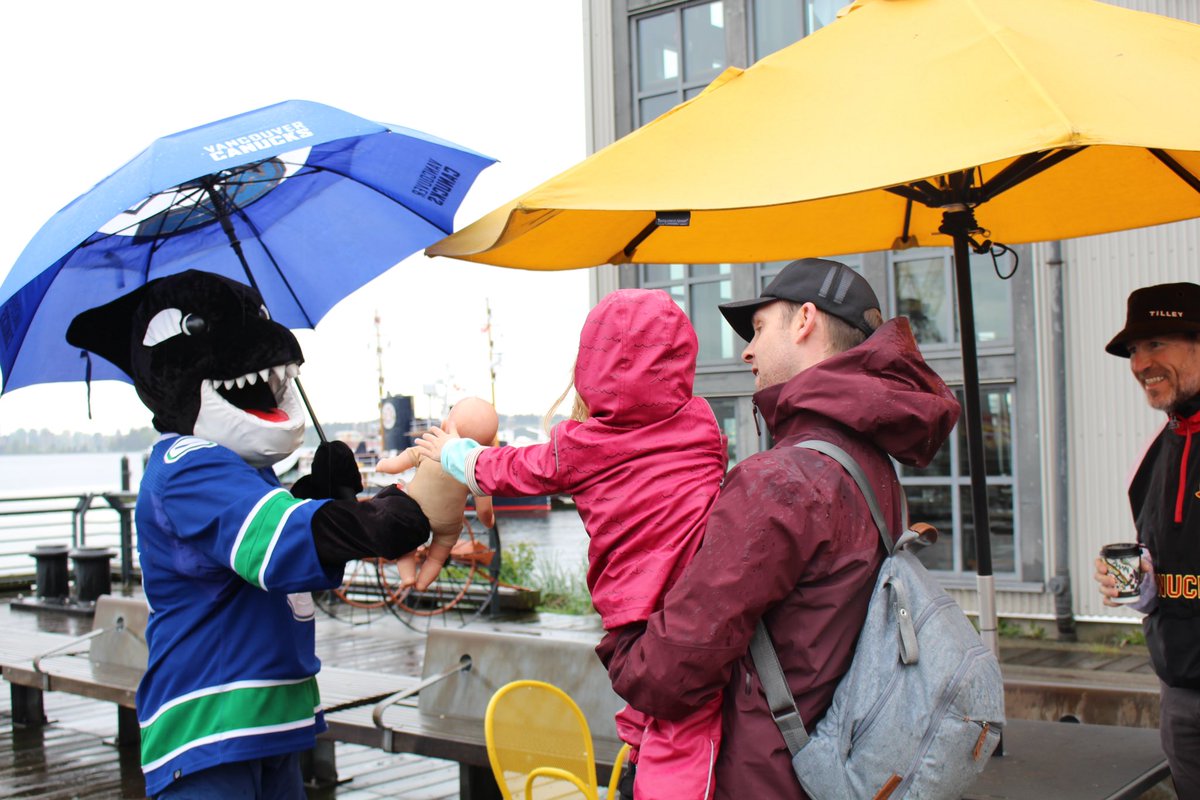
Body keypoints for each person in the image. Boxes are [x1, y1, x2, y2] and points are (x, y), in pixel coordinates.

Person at [596, 258, 960, 799]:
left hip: (755, 777)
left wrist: (624, 627)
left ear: (805, 320)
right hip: (827, 764)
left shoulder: (782, 479)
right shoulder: (871, 467)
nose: (746, 350)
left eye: (760, 328)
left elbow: (670, 674)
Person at [65, 270, 432, 799]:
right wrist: (385, 514)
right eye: (197, 327)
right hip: (211, 726)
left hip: (267, 722)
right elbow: (277, 542)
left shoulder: (238, 468)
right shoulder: (186, 465)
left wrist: (318, 498)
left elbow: (267, 548)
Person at [417, 288, 728, 800]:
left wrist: (454, 453)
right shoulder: (701, 423)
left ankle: (649, 776)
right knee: (687, 715)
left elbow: (510, 469)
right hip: (698, 604)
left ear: (591, 366)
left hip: (634, 609)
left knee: (664, 715)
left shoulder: (582, 446)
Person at [1093, 281, 1200, 797]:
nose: (1140, 363)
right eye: (1134, 351)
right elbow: (1168, 575)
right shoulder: (1152, 454)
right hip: (1179, 689)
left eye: (1156, 344)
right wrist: (1141, 585)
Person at [376, 396, 497, 591]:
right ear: (489, 445)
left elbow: (397, 464)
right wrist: (489, 521)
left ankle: (407, 577)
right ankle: (423, 583)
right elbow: (484, 512)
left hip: (413, 509)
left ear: (444, 426)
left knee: (407, 546)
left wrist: (384, 465)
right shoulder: (477, 468)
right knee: (436, 558)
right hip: (447, 524)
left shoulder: (429, 448)